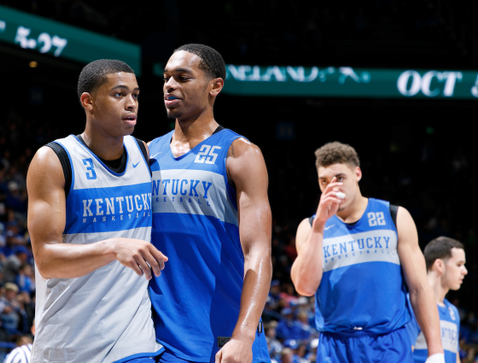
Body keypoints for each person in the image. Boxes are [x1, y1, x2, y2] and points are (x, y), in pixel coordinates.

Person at [26, 59, 167, 362]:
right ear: (88, 101)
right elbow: (47, 260)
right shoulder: (54, 160)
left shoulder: (143, 153)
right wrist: (113, 247)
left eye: (136, 95)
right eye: (119, 94)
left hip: (134, 341)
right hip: (68, 345)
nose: (131, 104)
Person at [149, 43, 272, 363]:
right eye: (166, 77)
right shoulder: (146, 154)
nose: (169, 85)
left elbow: (258, 252)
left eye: (182, 77)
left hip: (226, 339)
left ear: (214, 86)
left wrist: (244, 336)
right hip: (160, 341)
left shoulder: (240, 153)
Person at [290, 141, 444, 363]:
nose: (332, 187)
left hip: (389, 343)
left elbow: (419, 288)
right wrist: (320, 225)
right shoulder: (310, 227)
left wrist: (435, 350)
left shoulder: (395, 216)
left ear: (357, 174)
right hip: (336, 345)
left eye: (339, 178)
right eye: (324, 181)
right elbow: (304, 287)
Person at [407, 237, 467, 363]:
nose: (465, 271)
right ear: (439, 265)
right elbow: (403, 355)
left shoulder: (453, 312)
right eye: (459, 265)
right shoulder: (413, 303)